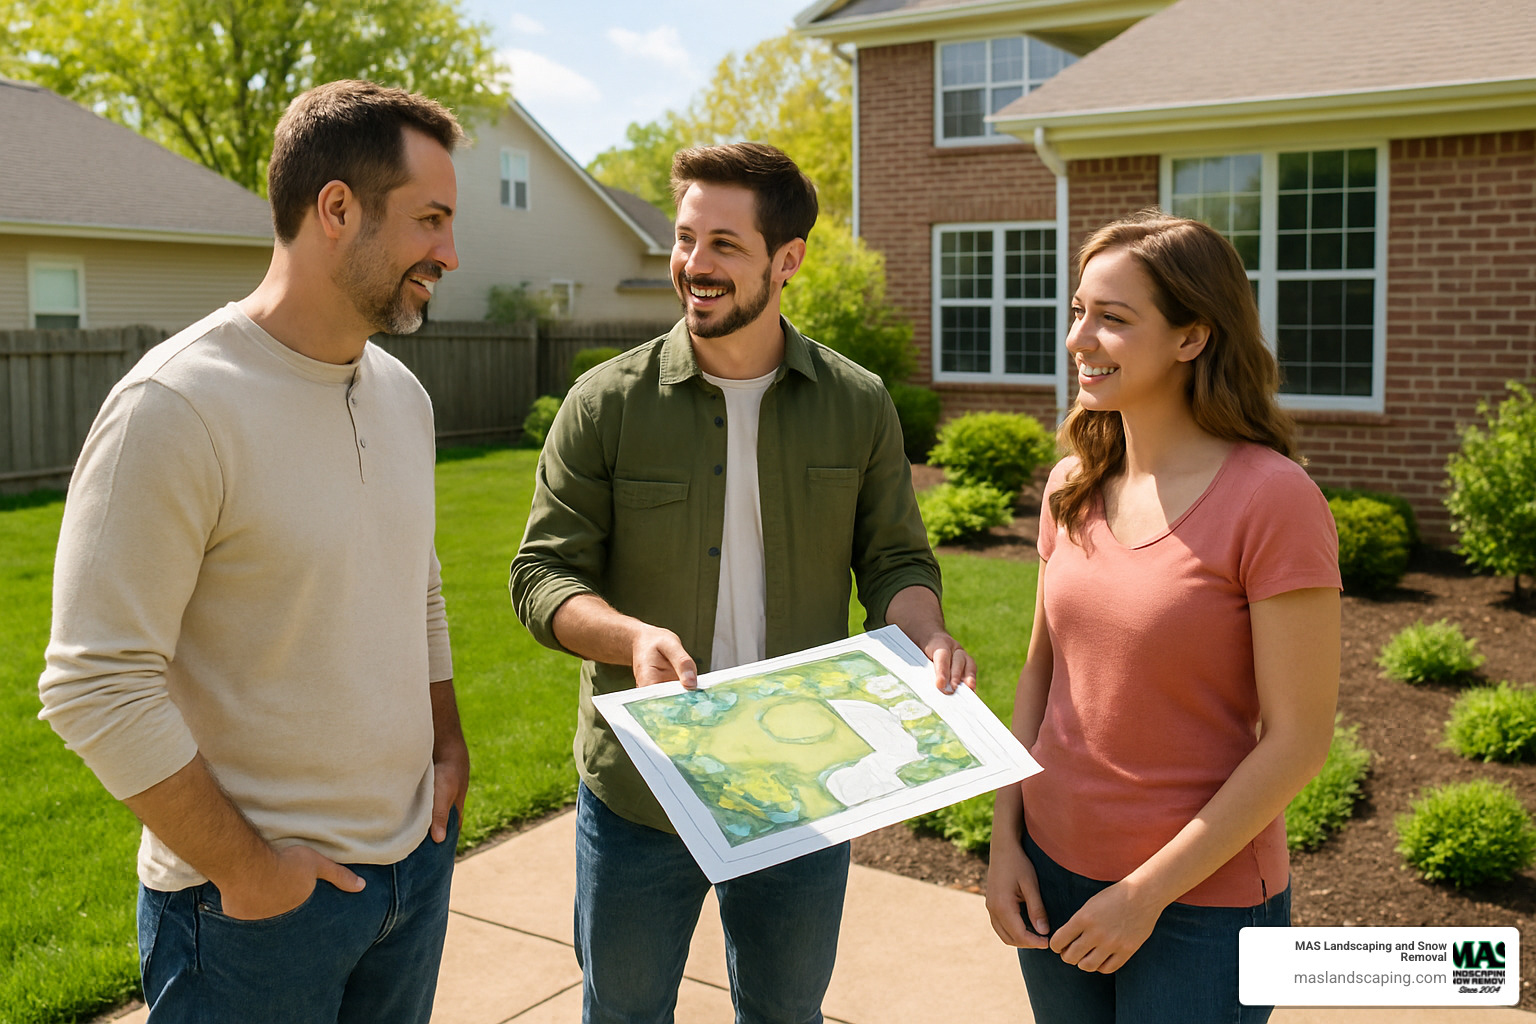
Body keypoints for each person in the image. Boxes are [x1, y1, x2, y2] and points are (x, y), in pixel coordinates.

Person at [510, 141, 974, 1024]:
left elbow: (895, 562)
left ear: (786, 259)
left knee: (786, 1014)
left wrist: (926, 630)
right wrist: (630, 638)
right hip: (642, 789)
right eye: (686, 240)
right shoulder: (606, 404)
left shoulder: (858, 402)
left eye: (725, 244)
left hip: (802, 783)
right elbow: (542, 573)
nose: (695, 265)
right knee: (624, 1014)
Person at [37, 80, 469, 1023]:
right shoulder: (177, 406)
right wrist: (255, 875)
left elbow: (418, 589)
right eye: (430, 220)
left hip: (411, 881)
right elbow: (94, 683)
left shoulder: (404, 397)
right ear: (336, 209)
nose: (449, 251)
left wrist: (448, 748)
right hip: (251, 922)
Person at [984, 210, 1342, 1023]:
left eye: (1112, 318)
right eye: (1078, 311)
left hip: (1200, 908)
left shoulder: (1273, 500)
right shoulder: (1071, 484)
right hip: (1050, 872)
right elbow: (1041, 678)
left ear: (1191, 337)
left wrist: (1142, 895)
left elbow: (1298, 742)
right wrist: (1005, 842)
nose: (1080, 338)